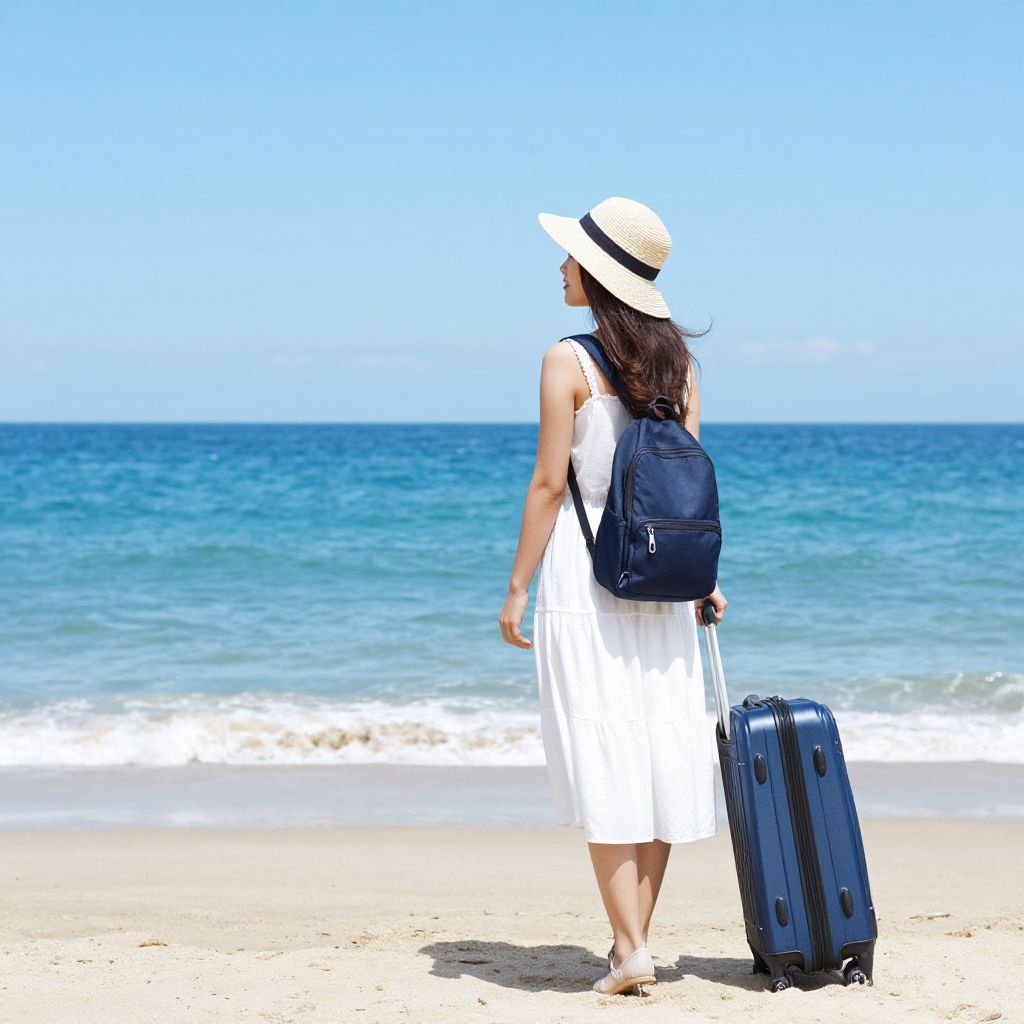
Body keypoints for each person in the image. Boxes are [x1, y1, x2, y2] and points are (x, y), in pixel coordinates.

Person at [498, 196, 728, 997]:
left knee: (604, 750)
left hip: (584, 572)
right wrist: (706, 579)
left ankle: (630, 948)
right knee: (657, 748)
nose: (560, 265)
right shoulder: (680, 369)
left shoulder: (566, 360)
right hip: (664, 577)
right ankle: (632, 943)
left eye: (570, 255)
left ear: (598, 273)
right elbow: (686, 490)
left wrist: (518, 586)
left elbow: (548, 484)